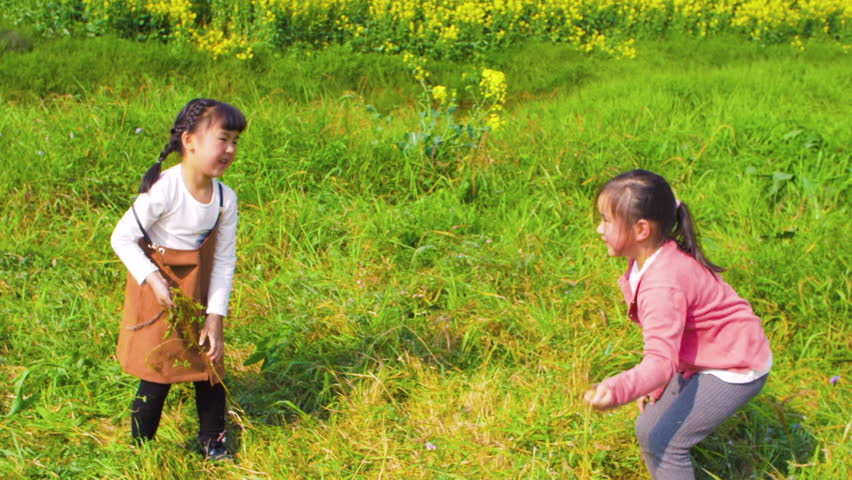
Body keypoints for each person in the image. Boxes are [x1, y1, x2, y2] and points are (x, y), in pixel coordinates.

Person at [583, 169, 772, 480]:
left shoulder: (662, 283)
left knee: (664, 442)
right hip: (712, 350)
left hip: (736, 365)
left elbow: (660, 361)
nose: (598, 229)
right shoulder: (650, 258)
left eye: (606, 220)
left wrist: (617, 389)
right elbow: (671, 336)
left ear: (641, 229)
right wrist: (658, 387)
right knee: (647, 427)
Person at [111, 98, 246, 460]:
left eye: (235, 141)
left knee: (210, 369)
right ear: (190, 141)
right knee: (157, 372)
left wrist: (215, 317)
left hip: (198, 291)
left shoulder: (224, 198)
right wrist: (153, 279)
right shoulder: (165, 188)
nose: (230, 149)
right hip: (160, 293)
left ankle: (213, 444)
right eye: (223, 139)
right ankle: (141, 450)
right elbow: (121, 238)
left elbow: (223, 259)